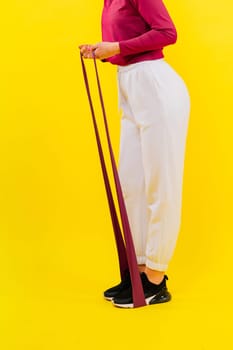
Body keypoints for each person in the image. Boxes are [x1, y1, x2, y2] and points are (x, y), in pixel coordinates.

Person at [79, 0, 190, 308]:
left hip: (155, 86)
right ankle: (137, 270)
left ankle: (155, 277)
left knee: (160, 186)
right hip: (129, 85)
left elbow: (167, 32)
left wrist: (115, 46)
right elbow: (123, 42)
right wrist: (103, 50)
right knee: (132, 186)